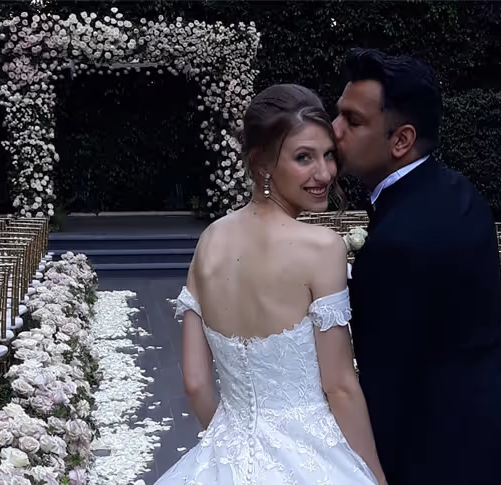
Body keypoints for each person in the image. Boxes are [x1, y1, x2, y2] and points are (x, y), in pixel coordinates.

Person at [333, 48, 501, 484]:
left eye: (353, 121)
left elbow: (386, 388)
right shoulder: (460, 190)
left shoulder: (393, 246)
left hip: (451, 459)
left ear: (401, 140)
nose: (334, 130)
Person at [156, 84, 387, 485]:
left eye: (328, 155)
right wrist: (377, 477)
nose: (325, 174)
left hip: (225, 456)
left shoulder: (210, 239)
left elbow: (195, 383)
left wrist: (235, 446)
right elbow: (340, 386)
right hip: (315, 460)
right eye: (303, 158)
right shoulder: (322, 248)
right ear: (262, 163)